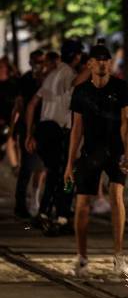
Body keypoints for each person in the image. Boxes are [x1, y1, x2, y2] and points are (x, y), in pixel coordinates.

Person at [63, 45, 128, 276]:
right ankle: (82, 257)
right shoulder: (81, 91)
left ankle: (119, 256)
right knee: (82, 204)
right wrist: (69, 163)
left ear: (111, 63)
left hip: (115, 151)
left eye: (106, 59)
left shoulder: (121, 87)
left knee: (117, 197)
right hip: (91, 152)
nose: (103, 63)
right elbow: (76, 129)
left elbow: (126, 123)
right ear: (90, 64)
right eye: (98, 59)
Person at [26, 39, 89, 235]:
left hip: (45, 129)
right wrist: (91, 67)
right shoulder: (67, 73)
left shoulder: (51, 74)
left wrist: (30, 133)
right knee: (64, 174)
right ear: (77, 56)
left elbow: (31, 105)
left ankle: (47, 213)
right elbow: (74, 82)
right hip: (59, 131)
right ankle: (60, 217)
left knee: (54, 174)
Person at [10, 50, 46, 219]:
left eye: (41, 61)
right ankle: (21, 204)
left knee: (42, 167)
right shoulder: (25, 80)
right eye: (36, 61)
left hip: (43, 127)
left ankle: (36, 200)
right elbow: (20, 105)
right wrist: (19, 129)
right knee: (27, 167)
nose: (38, 65)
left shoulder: (47, 78)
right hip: (28, 128)